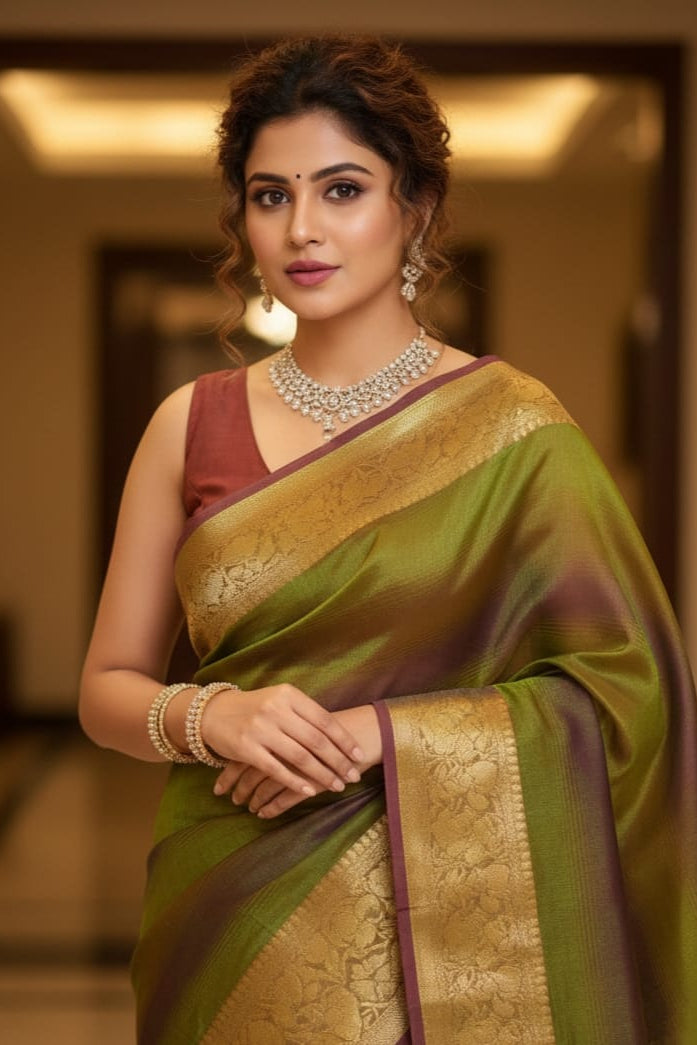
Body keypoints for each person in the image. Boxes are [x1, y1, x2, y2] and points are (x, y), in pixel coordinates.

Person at [79, 34, 697, 1044]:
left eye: (342, 188)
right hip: (226, 902)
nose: (302, 228)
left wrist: (386, 734)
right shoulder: (187, 423)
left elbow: (630, 693)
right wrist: (212, 718)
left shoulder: (514, 432)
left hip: (446, 937)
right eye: (270, 195)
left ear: (414, 206)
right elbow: (107, 687)